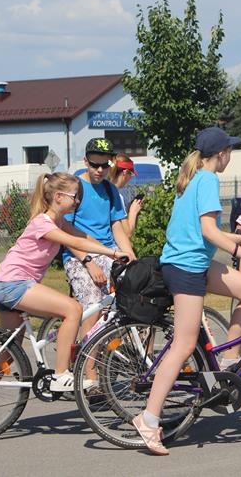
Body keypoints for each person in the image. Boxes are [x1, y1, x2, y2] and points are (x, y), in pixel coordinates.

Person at [132, 126, 241, 455]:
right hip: (185, 268)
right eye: (230, 151)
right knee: (183, 345)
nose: (231, 156)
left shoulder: (194, 178)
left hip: (192, 262)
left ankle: (229, 360)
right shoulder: (207, 179)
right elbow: (209, 231)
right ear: (221, 154)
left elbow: (200, 231)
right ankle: (148, 419)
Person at [0, 172, 130, 429]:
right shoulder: (43, 223)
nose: (77, 201)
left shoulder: (59, 222)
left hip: (6, 284)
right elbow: (72, 242)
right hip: (13, 284)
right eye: (75, 196)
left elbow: (84, 238)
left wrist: (116, 252)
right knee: (73, 309)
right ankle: (61, 374)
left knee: (9, 353)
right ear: (58, 196)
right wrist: (112, 252)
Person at [63, 138, 137, 348]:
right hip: (79, 255)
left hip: (108, 252)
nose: (100, 170)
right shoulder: (75, 187)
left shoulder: (110, 190)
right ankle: (86, 364)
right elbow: (66, 232)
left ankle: (117, 351)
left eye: (105, 166)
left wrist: (131, 256)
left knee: (136, 292)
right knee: (93, 306)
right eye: (95, 165)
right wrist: (88, 262)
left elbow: (117, 227)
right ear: (85, 161)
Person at [108, 153, 143, 237]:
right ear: (125, 172)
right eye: (131, 174)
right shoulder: (117, 197)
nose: (130, 178)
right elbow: (127, 233)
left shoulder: (102, 190)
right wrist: (133, 211)